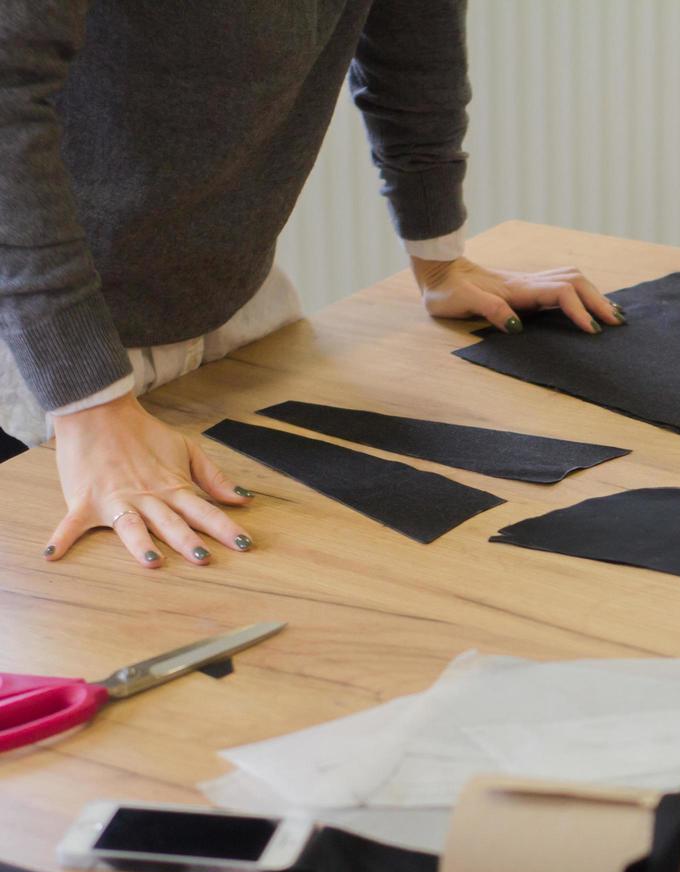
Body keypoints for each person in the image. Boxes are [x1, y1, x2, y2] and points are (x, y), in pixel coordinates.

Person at [0, 2, 622, 570]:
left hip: (235, 304)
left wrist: (438, 255)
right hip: (35, 345)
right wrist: (89, 401)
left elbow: (414, 33)